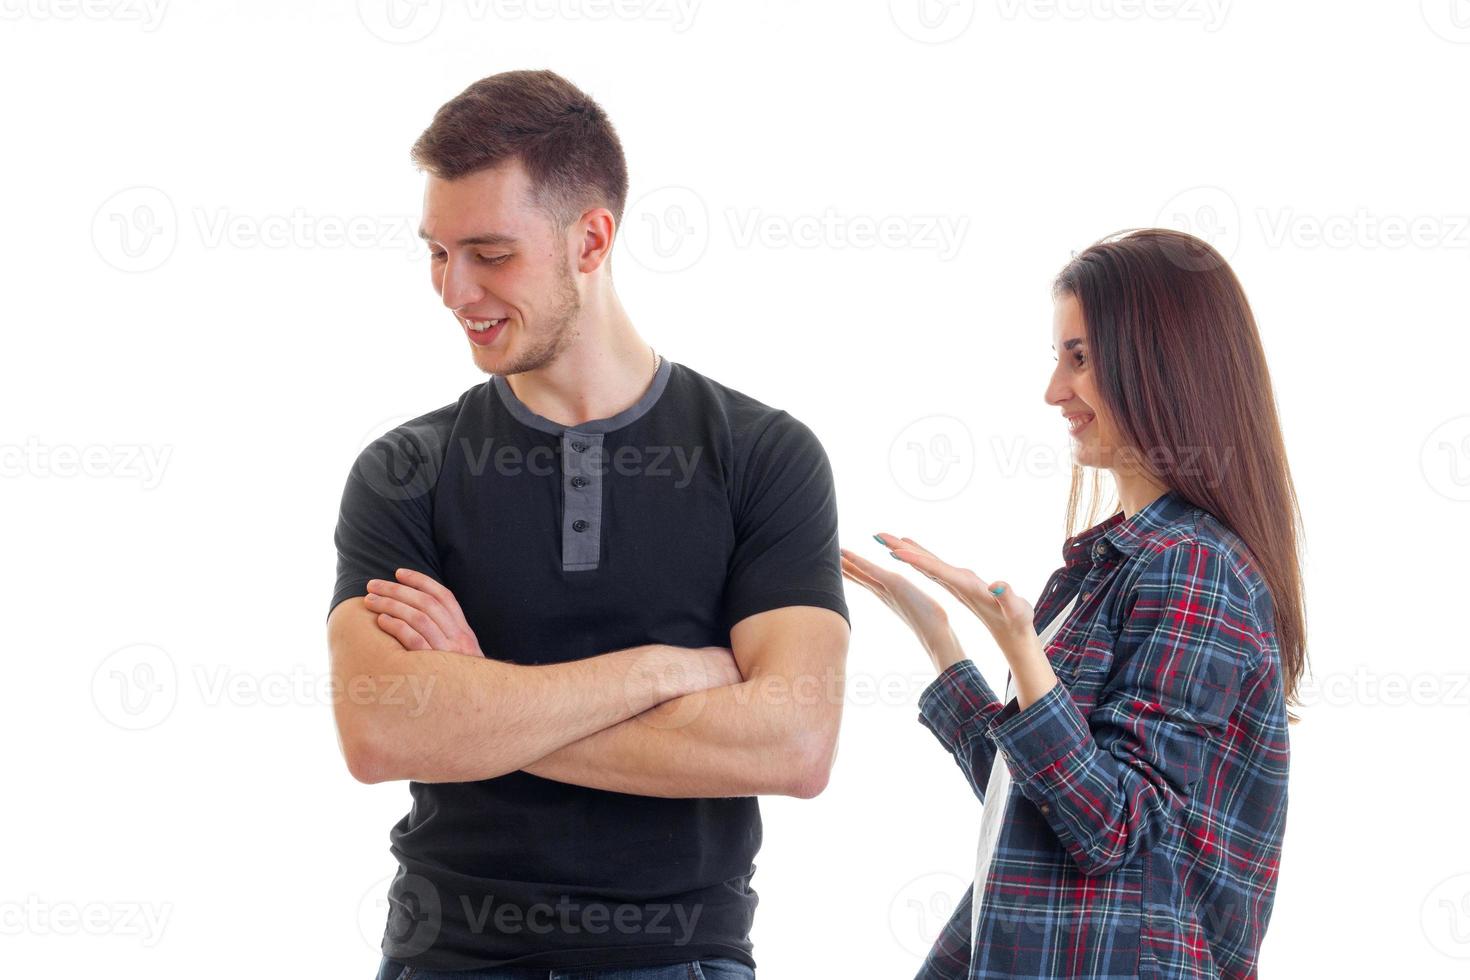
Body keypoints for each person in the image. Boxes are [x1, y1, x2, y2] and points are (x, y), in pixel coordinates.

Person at [325, 69, 851, 979]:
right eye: (437, 252)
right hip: (450, 957)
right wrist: (659, 674)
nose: (454, 290)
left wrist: (482, 698)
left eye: (490, 254)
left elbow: (795, 744)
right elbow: (382, 731)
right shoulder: (403, 470)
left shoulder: (764, 455)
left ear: (591, 239)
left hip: (685, 959)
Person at [843, 229, 1303, 979]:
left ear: (1161, 363)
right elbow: (1042, 800)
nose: (1054, 391)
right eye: (1058, 358)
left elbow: (1115, 829)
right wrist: (943, 644)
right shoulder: (1119, 563)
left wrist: (1022, 649)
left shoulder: (1193, 566)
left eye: (1079, 358)